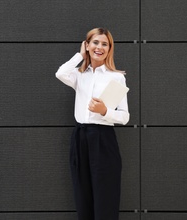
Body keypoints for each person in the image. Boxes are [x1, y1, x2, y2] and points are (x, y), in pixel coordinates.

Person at [55, 28, 130, 220]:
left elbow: (125, 117)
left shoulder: (116, 77)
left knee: (106, 197)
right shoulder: (80, 75)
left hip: (103, 140)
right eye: (95, 42)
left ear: (109, 49)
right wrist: (79, 55)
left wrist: (104, 111)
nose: (100, 47)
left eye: (105, 44)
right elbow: (60, 73)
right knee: (82, 195)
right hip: (80, 137)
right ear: (87, 45)